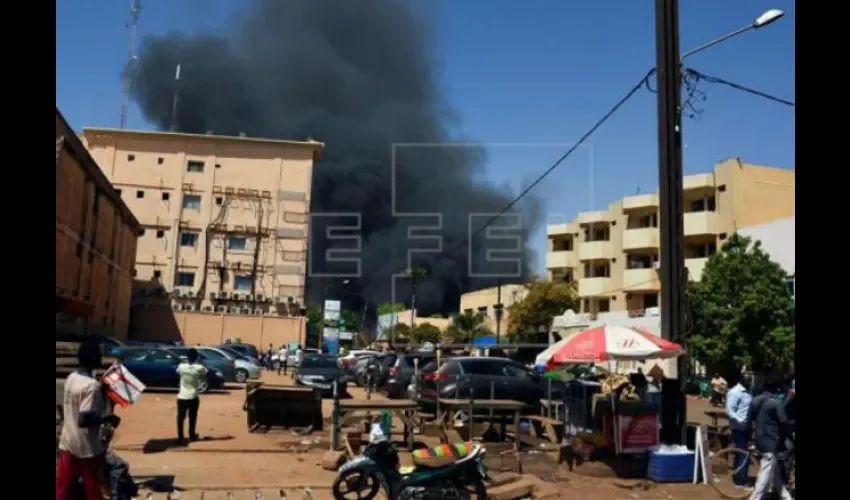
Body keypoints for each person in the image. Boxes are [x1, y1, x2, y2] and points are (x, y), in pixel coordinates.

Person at [57, 340, 121, 500]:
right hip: (87, 446)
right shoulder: (92, 386)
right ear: (93, 358)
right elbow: (84, 419)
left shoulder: (72, 377)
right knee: (92, 486)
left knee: (64, 486)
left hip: (68, 439)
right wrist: (108, 418)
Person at [748, 378, 793, 500]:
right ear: (774, 390)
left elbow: (749, 420)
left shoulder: (754, 401)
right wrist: (790, 436)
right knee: (765, 472)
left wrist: (750, 439)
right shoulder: (775, 403)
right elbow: (783, 423)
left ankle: (785, 496)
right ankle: (755, 498)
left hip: (759, 439)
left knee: (775, 472)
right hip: (772, 441)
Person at [725, 374, 753, 489]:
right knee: (742, 453)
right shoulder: (735, 392)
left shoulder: (748, 391)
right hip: (739, 427)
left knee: (742, 453)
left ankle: (739, 478)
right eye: (748, 380)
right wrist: (740, 420)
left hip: (747, 427)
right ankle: (741, 481)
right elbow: (729, 410)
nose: (750, 382)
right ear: (742, 380)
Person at [176, 348, 207, 445]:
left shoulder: (182, 366)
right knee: (192, 417)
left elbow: (177, 371)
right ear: (196, 357)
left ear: (187, 357)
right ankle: (192, 435)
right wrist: (200, 362)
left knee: (180, 418)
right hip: (193, 396)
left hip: (182, 396)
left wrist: (185, 362)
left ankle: (180, 438)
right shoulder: (199, 368)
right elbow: (205, 372)